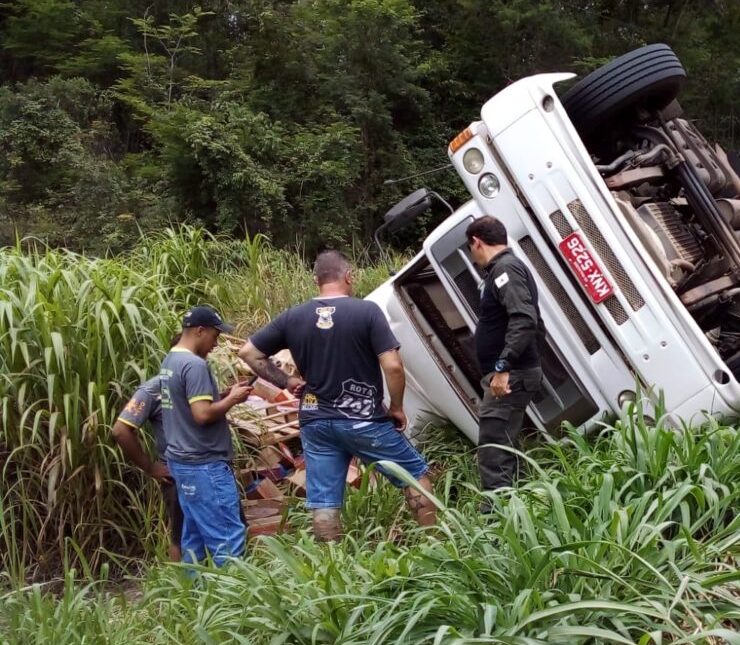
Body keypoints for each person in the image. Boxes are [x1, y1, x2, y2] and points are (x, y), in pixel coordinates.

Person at [239, 250, 436, 541]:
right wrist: (396, 407)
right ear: (348, 276)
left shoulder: (293, 317)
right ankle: (434, 545)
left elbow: (248, 353)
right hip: (363, 420)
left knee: (324, 503)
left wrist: (287, 380)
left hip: (316, 422)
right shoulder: (366, 311)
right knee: (415, 478)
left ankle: (333, 567)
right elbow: (393, 366)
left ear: (316, 280)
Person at [160, 306, 253, 565]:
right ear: (199, 331)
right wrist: (233, 399)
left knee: (194, 537)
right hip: (204, 464)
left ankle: (192, 596)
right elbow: (201, 414)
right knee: (228, 536)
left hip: (182, 461)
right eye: (215, 335)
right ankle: (235, 600)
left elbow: (186, 405)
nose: (216, 343)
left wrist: (221, 396)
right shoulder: (194, 364)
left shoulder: (171, 360)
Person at [466, 216, 543, 493]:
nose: (472, 256)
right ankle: (522, 508)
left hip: (510, 375)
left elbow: (524, 318)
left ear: (476, 242)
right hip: (515, 372)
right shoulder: (503, 270)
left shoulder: (505, 270)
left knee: (493, 450)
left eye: (470, 248)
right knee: (505, 446)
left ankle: (496, 523)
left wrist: (503, 365)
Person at [112, 335, 183, 561]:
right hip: (175, 472)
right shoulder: (154, 389)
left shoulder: (195, 383)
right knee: (179, 535)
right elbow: (120, 430)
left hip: (204, 469)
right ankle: (184, 591)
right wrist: (150, 467)